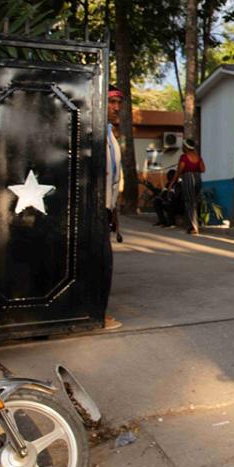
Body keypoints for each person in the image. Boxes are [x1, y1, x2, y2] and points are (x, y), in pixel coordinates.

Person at [103, 86, 125, 330]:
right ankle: (97, 312)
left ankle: (98, 311)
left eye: (119, 102)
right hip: (96, 206)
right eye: (112, 103)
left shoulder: (111, 135)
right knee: (100, 261)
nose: (116, 107)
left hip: (106, 208)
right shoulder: (99, 133)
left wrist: (113, 210)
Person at [171, 138, 205, 235]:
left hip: (188, 178)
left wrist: (171, 183)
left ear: (185, 147)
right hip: (198, 178)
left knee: (189, 202)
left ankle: (194, 227)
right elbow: (203, 169)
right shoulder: (198, 157)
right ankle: (194, 225)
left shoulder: (184, 157)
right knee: (194, 203)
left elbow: (179, 171)